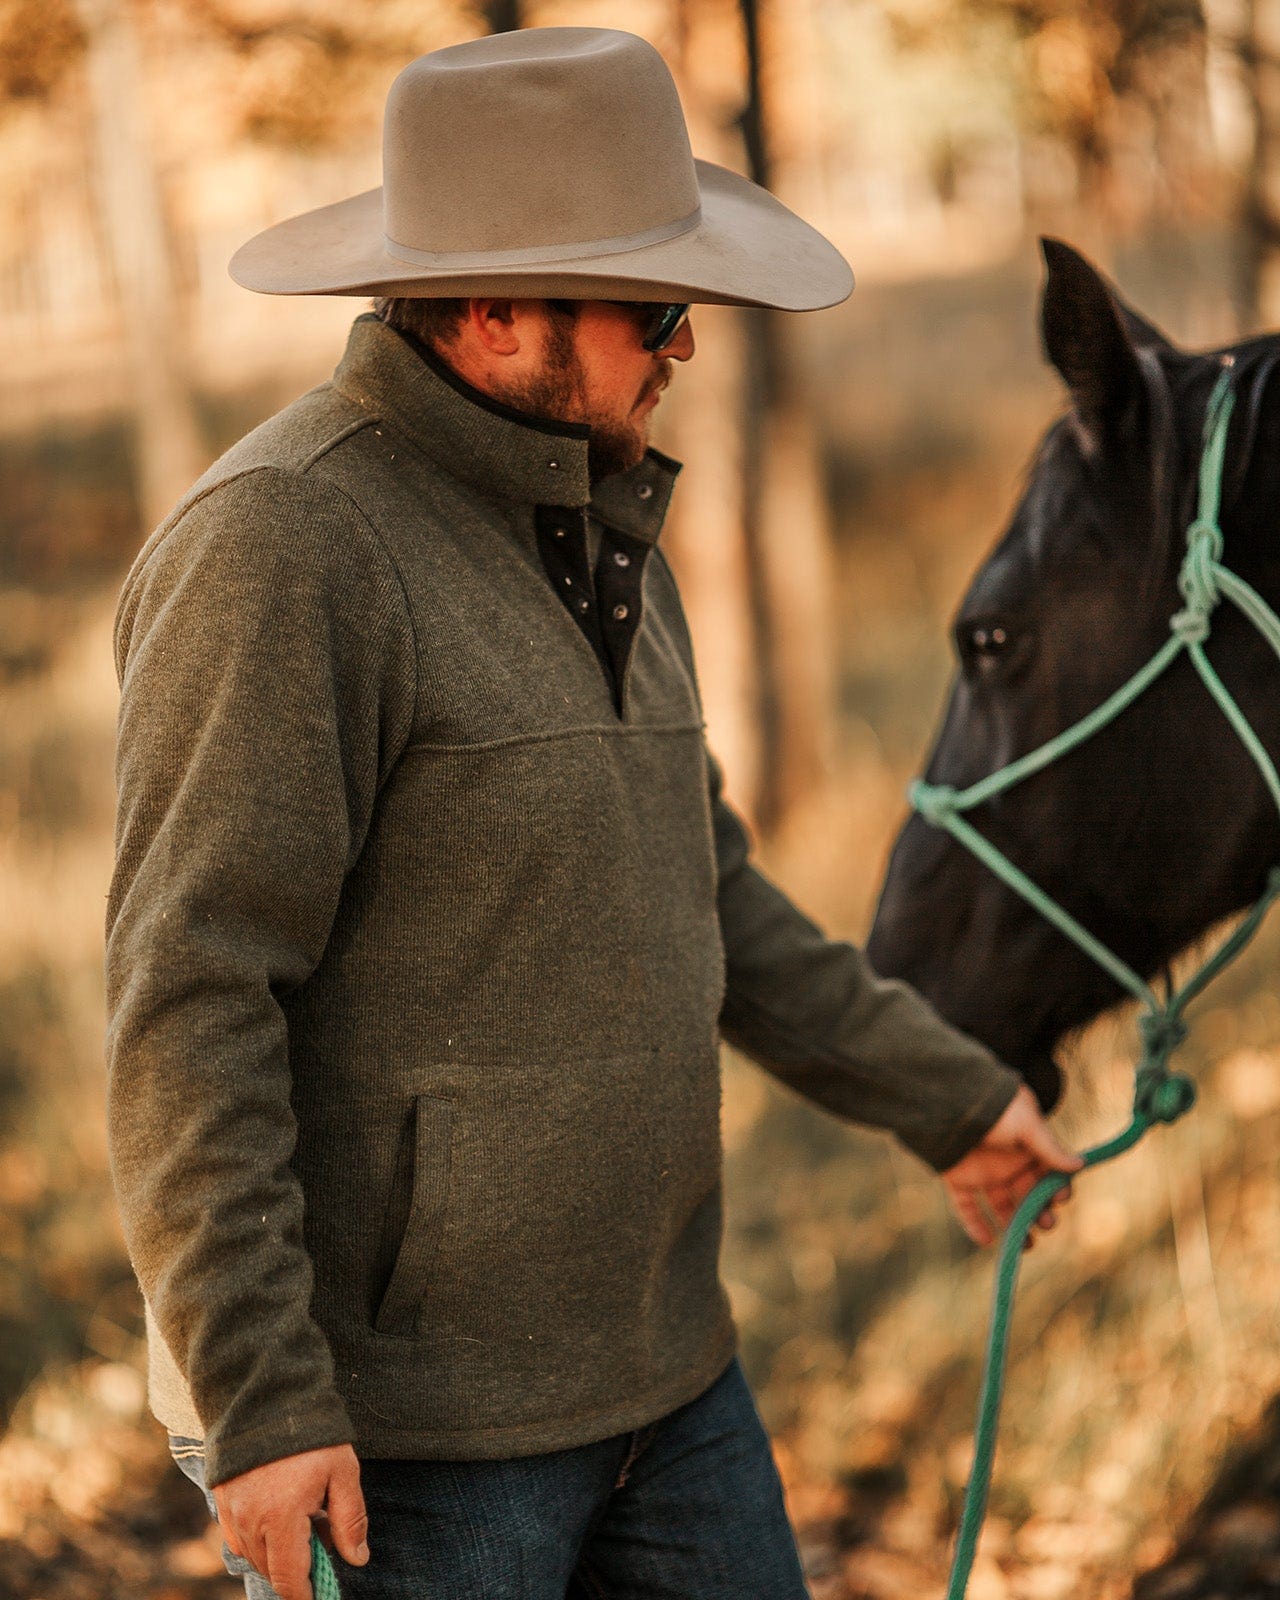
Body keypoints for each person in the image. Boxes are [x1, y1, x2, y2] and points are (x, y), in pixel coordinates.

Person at [104, 26, 1081, 1600]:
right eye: (655, 310)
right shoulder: (286, 548)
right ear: (494, 310)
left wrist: (950, 1100)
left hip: (669, 1386)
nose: (683, 347)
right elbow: (190, 1000)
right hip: (411, 1454)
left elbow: (709, 892)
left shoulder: (602, 510)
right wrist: (263, 1400)